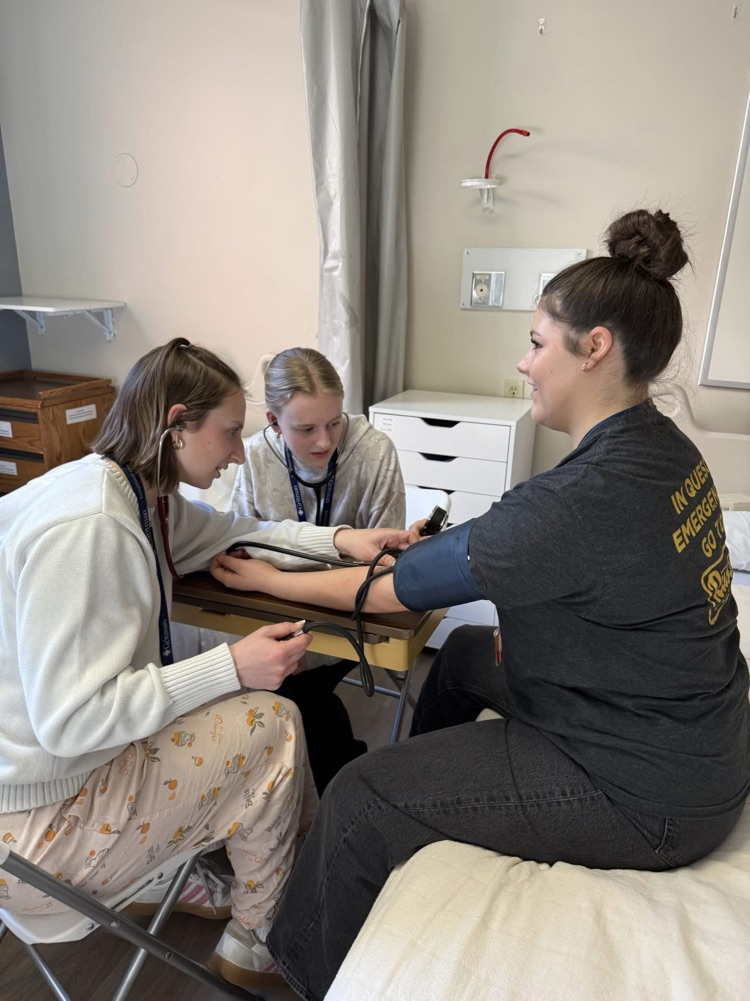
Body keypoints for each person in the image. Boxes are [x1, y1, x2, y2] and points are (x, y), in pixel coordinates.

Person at [210, 209, 750, 1000]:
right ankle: (428, 818)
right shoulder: (666, 452)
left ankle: (294, 969)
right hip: (694, 739)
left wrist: (266, 580)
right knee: (462, 654)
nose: (523, 362)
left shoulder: (574, 500)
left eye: (536, 342)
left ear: (594, 347)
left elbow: (387, 589)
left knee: (360, 795)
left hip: (646, 791)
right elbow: (612, 579)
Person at [0, 337, 412, 996]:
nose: (236, 453)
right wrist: (231, 665)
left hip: (47, 786)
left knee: (253, 715)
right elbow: (70, 721)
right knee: (276, 722)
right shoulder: (92, 527)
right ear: (177, 424)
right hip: (35, 835)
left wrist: (341, 540)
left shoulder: (134, 495)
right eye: (227, 432)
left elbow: (244, 533)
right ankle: (262, 938)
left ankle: (261, 873)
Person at [176, 346, 406, 793]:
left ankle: (327, 791)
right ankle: (323, 791)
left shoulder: (374, 453)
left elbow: (379, 572)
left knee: (294, 697)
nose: (324, 441)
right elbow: (242, 548)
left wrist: (274, 573)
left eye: (335, 422)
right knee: (268, 692)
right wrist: (290, 572)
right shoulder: (255, 456)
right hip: (272, 609)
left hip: (341, 615)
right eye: (305, 429)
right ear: (273, 422)